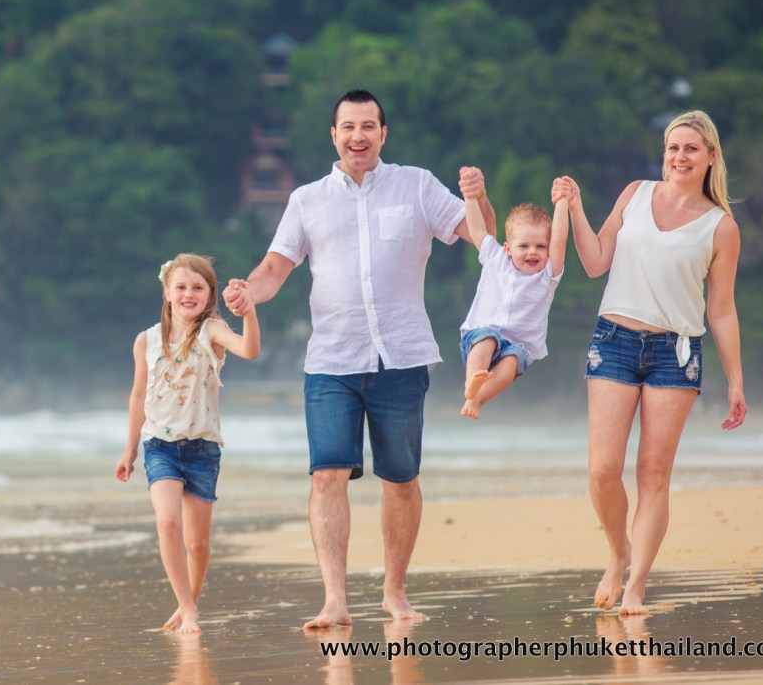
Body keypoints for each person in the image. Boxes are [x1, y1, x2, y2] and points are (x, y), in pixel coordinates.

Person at [222, 89, 494, 629]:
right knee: (327, 476)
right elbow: (275, 268)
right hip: (331, 359)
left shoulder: (416, 185)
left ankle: (395, 592)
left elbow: (476, 234)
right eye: (348, 126)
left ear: (383, 134)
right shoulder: (307, 199)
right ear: (333, 135)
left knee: (400, 479)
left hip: (402, 354)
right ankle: (335, 600)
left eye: (368, 126)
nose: (358, 136)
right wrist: (248, 292)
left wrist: (479, 197)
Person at [553, 109, 746, 616]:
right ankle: (618, 552)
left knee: (653, 473)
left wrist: (736, 381)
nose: (679, 157)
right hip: (613, 339)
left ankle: (636, 584)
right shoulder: (635, 194)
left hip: (675, 354)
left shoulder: (721, 227)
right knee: (602, 469)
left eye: (690, 149)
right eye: (672, 147)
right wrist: (573, 207)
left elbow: (721, 310)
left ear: (710, 157)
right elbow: (596, 261)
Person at [115, 253, 260, 634]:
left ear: (209, 294)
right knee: (166, 523)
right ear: (166, 292)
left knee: (197, 544)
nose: (188, 294)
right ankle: (189, 610)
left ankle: (188, 605)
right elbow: (137, 396)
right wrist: (130, 450)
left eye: (198, 287)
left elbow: (250, 350)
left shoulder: (212, 332)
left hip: (202, 450)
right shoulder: (145, 341)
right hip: (159, 446)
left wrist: (248, 311)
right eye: (180, 287)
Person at [458, 182, 569, 419]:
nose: (533, 252)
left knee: (511, 365)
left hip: (516, 346)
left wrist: (562, 203)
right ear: (508, 248)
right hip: (481, 335)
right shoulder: (496, 258)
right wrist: (470, 198)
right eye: (524, 246)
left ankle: (478, 399)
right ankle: (471, 385)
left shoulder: (547, 276)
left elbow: (559, 240)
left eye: (541, 246)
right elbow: (477, 229)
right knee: (487, 338)